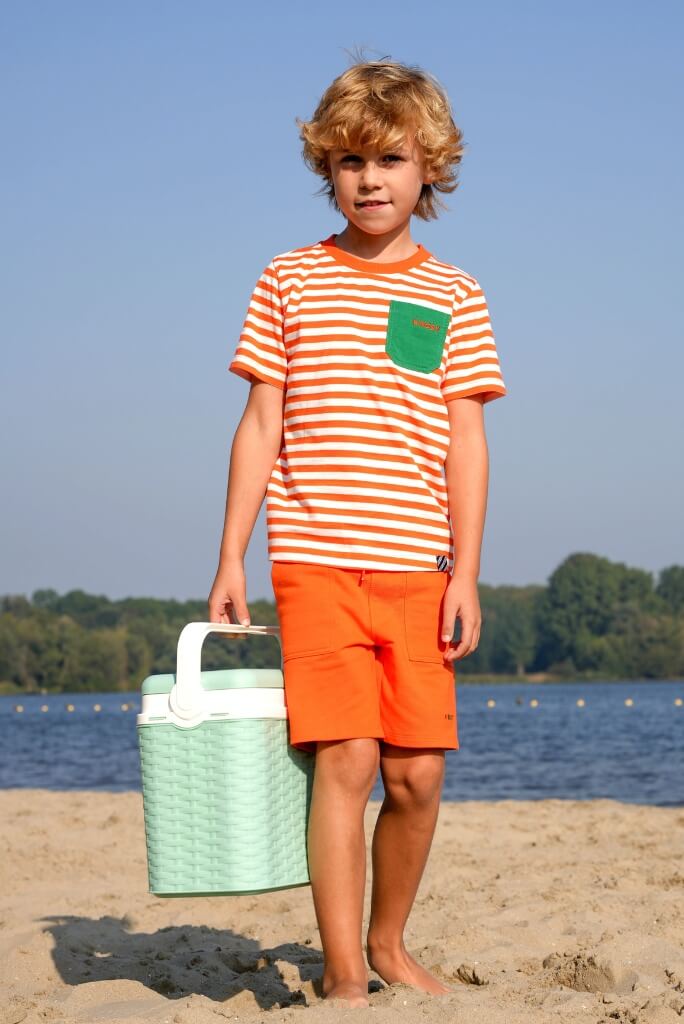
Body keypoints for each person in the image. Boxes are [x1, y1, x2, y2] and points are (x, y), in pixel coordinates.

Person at [208, 58, 506, 1009]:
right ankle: (342, 973)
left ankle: (387, 941)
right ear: (325, 170)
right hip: (315, 564)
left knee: (415, 774)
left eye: (389, 158)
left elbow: (467, 442)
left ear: (430, 169)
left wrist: (468, 573)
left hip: (421, 568)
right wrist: (229, 554)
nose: (368, 178)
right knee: (346, 759)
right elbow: (261, 422)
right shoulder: (288, 278)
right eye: (347, 161)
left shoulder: (456, 293)